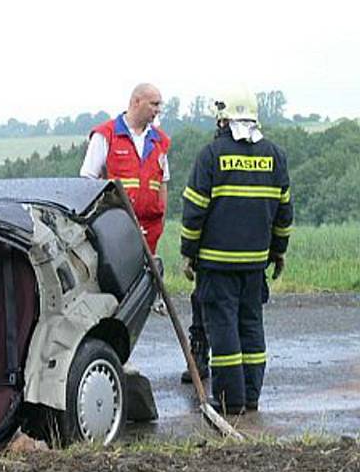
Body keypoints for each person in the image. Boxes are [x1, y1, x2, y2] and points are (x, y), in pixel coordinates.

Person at [180, 89, 293, 415]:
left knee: (224, 329)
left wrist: (188, 252)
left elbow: (194, 211)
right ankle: (252, 396)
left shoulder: (211, 155)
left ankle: (231, 401)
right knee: (251, 326)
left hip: (216, 265)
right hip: (256, 264)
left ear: (224, 119)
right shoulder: (275, 156)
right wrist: (278, 251)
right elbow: (284, 213)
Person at [80, 83, 171, 254]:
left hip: (150, 229)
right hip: (115, 226)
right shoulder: (106, 135)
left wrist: (161, 223)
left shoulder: (160, 140)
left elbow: (162, 185)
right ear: (136, 101)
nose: (158, 110)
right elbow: (88, 182)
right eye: (154, 104)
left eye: (159, 105)